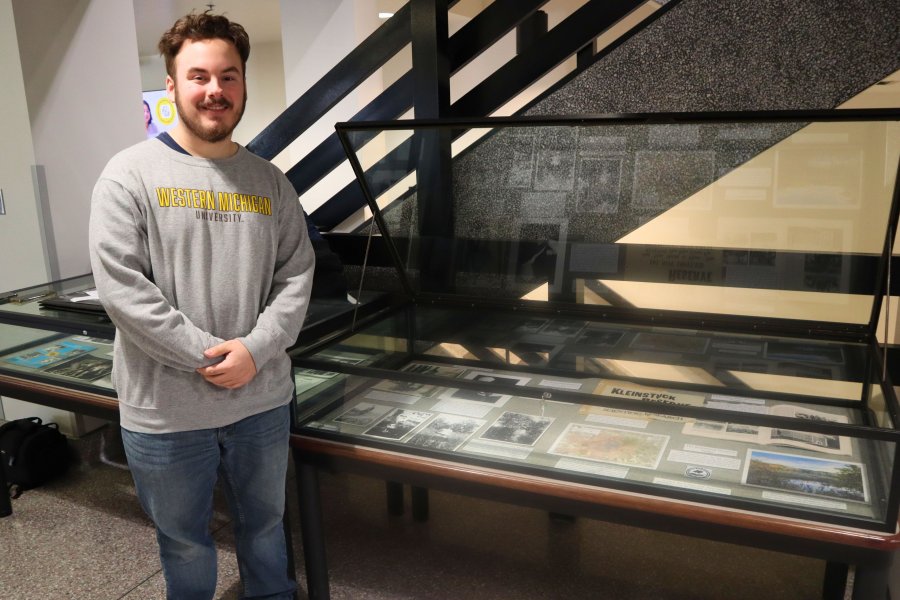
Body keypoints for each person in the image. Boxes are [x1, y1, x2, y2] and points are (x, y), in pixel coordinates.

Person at [89, 12, 314, 599]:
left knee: (265, 526)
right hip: (165, 410)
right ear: (172, 87)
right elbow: (123, 289)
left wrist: (256, 352)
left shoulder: (270, 182)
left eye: (228, 76)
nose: (215, 90)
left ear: (242, 84)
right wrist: (213, 356)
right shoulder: (128, 175)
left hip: (260, 400)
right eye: (198, 76)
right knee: (184, 539)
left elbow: (296, 277)